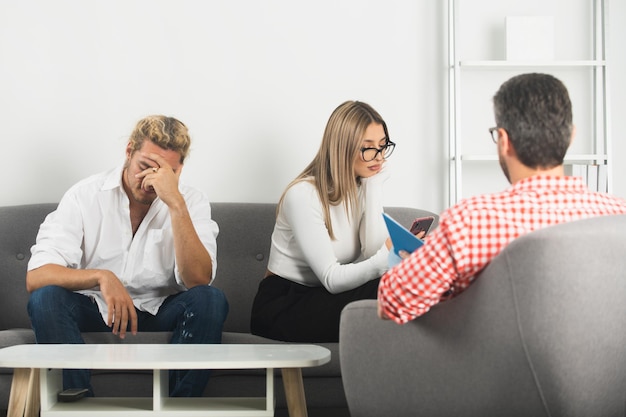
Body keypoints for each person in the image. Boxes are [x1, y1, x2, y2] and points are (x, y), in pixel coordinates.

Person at [378, 72, 626, 324]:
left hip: (500, 361)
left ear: (504, 141)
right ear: (571, 136)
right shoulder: (618, 215)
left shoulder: (471, 221)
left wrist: (407, 265)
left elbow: (391, 304)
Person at [26, 115, 229, 397]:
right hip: (98, 310)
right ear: (129, 151)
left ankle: (182, 408)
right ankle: (78, 405)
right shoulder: (84, 196)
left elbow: (199, 280)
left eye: (166, 172)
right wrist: (101, 277)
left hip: (160, 311)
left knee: (211, 299)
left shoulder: (191, 201)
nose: (150, 181)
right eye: (145, 166)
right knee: (45, 298)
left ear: (180, 169)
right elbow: (37, 276)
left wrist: (176, 205)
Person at [250, 100, 395, 342]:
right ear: (343, 148)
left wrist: (374, 186)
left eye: (382, 146)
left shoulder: (361, 186)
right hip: (285, 306)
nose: (378, 156)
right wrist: (387, 259)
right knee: (390, 285)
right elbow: (331, 278)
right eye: (368, 148)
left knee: (401, 281)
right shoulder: (304, 194)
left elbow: (371, 250)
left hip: (323, 299)